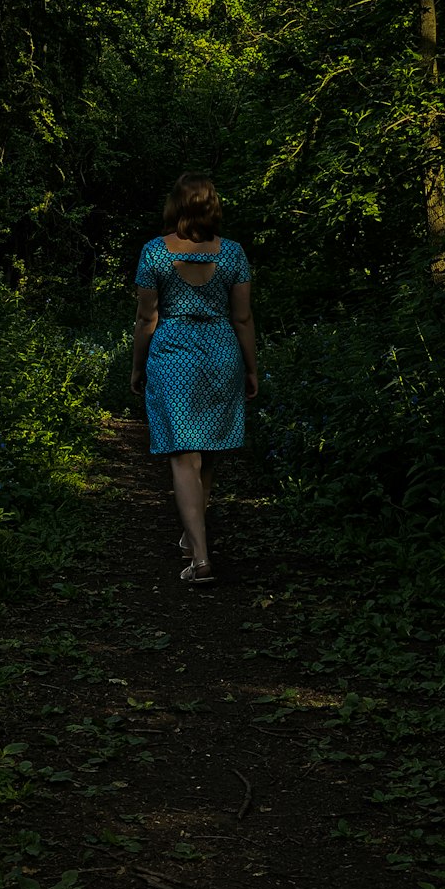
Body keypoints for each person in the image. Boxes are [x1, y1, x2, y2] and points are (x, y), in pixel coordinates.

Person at [130, 173, 258, 585]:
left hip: (173, 356)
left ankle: (200, 557)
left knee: (184, 456)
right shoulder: (234, 254)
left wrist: (137, 365)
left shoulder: (154, 252)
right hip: (222, 353)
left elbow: (147, 317)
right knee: (208, 453)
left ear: (175, 206)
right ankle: (193, 536)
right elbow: (242, 317)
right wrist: (252, 367)